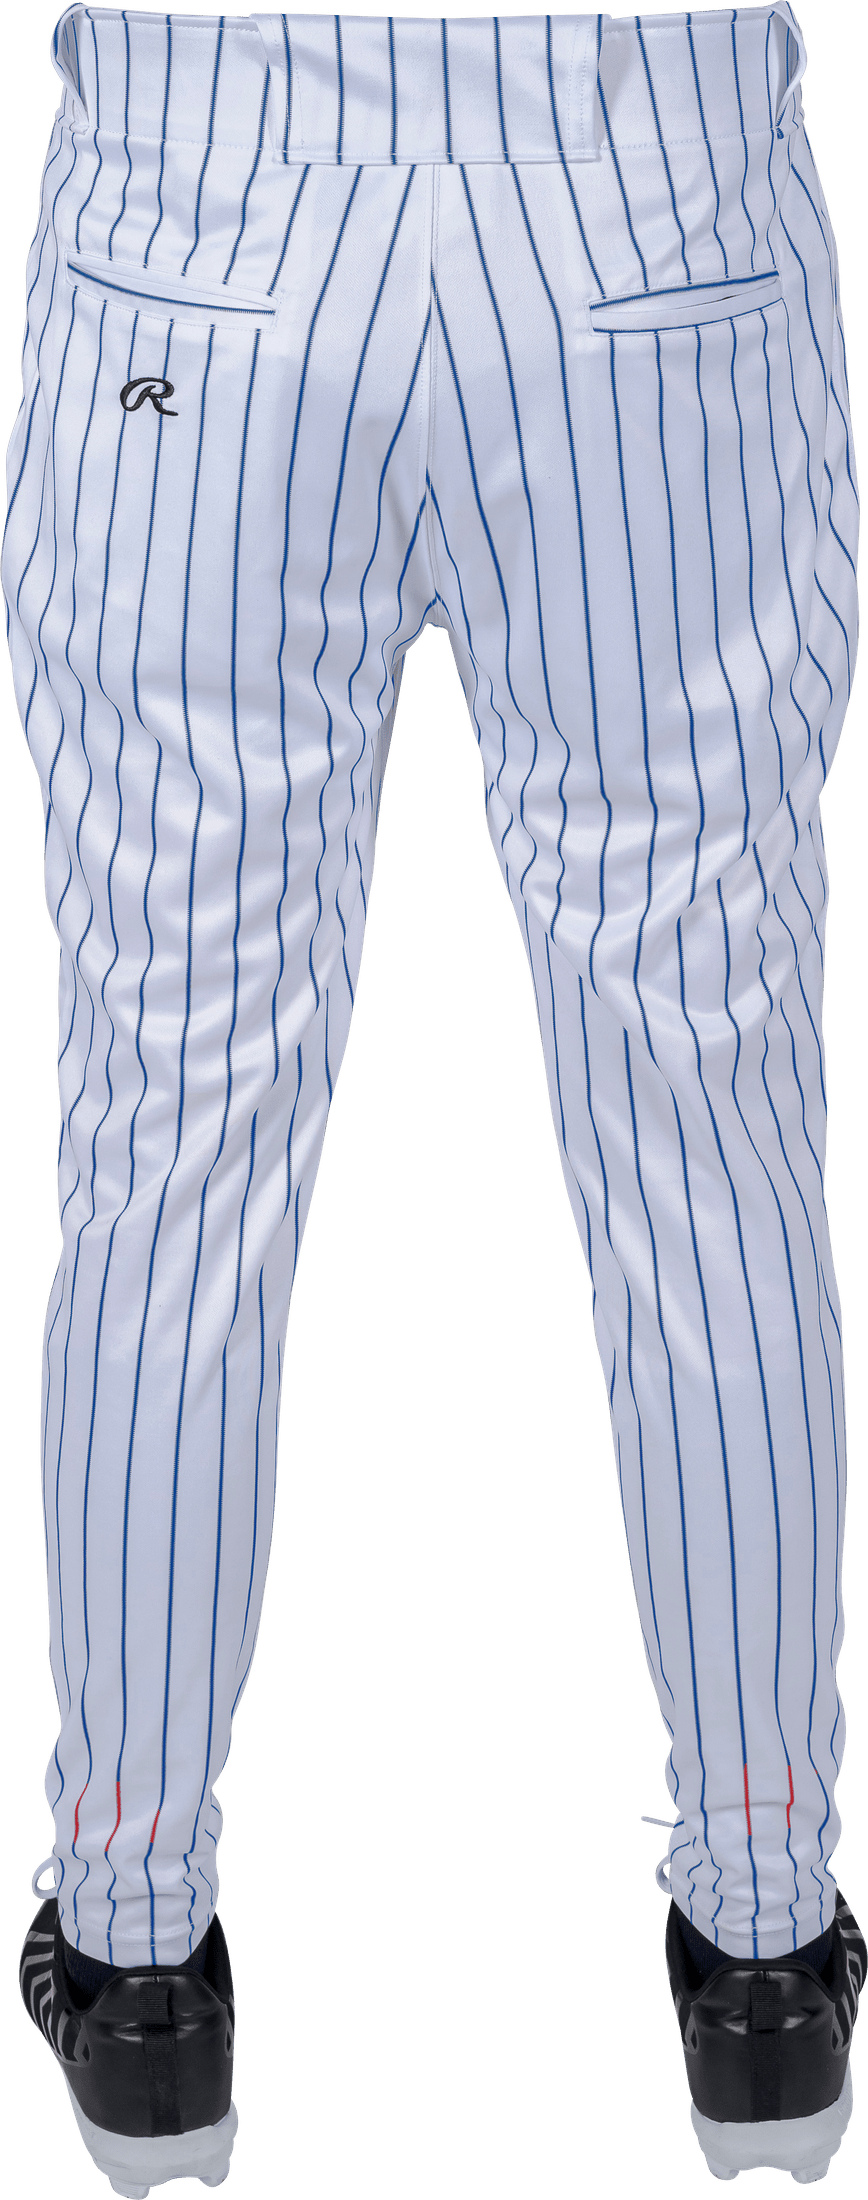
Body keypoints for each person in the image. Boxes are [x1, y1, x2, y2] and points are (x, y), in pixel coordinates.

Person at [4, 6, 865, 2194]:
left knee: (172, 1139)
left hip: (202, 213)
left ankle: (137, 1962)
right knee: (707, 1117)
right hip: (644, 204)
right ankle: (766, 1959)